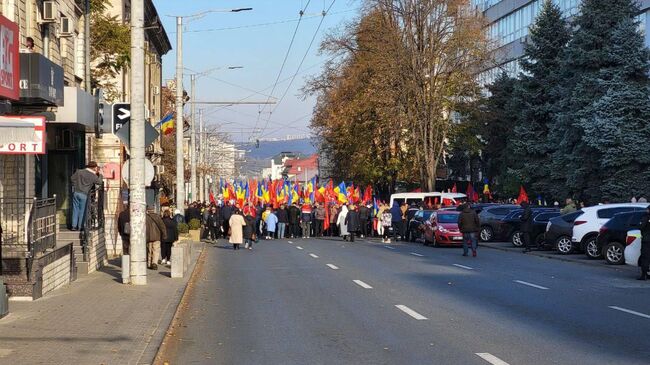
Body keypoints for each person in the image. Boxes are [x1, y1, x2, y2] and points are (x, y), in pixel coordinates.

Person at [70, 161, 102, 230]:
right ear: (94, 168)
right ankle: (80, 226)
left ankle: (73, 226)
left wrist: (76, 185)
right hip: (84, 194)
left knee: (75, 209)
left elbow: (72, 178)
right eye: (96, 167)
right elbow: (99, 182)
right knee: (82, 210)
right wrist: (100, 174)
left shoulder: (79, 172)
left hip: (76, 192)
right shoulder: (93, 176)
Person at [638, 207, 650, 280]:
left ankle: (644, 275)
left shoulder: (645, 217)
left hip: (647, 240)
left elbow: (641, 226)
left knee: (645, 258)